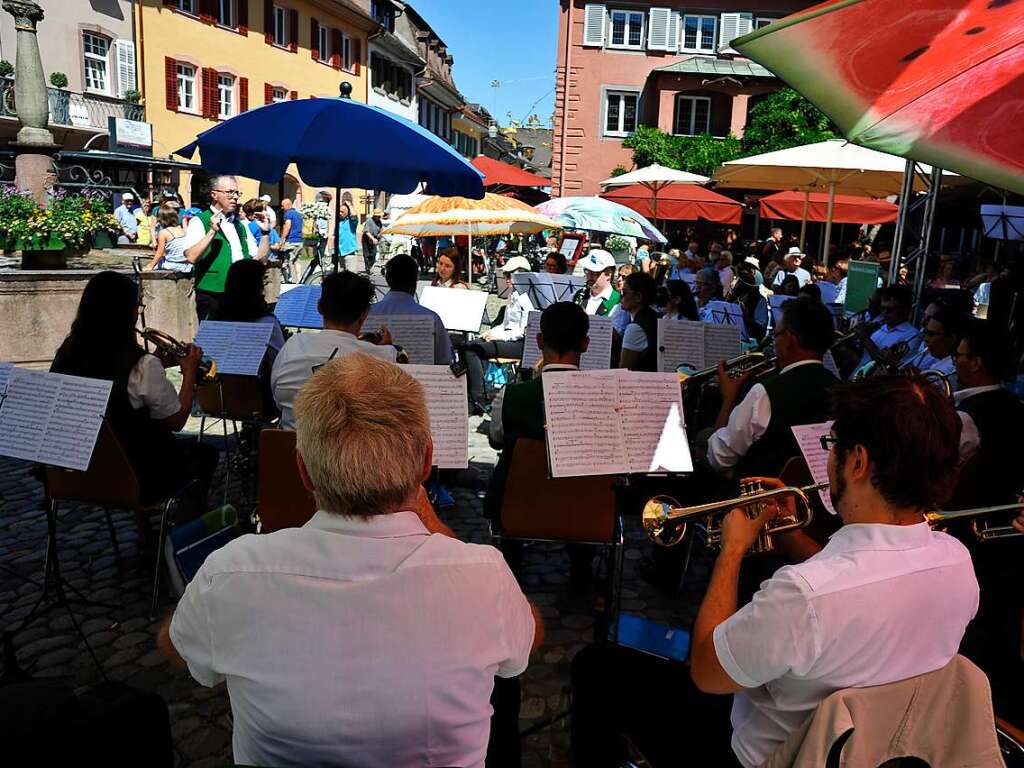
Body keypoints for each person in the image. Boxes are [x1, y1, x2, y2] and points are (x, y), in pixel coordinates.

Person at [571, 376, 977, 768]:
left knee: (594, 665)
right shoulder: (957, 562)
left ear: (858, 462)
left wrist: (732, 550)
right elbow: (857, 584)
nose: (828, 456)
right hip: (867, 748)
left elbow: (707, 671)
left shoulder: (803, 595)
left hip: (760, 755)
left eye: (832, 444)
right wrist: (792, 532)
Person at [159, 353, 542, 768]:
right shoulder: (483, 575)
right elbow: (527, 640)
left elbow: (175, 646)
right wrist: (430, 521)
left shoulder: (231, 572)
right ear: (426, 462)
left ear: (303, 472)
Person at [50, 271, 218, 547]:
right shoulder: (141, 366)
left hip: (80, 472)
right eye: (137, 304)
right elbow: (176, 419)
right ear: (125, 313)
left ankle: (146, 534)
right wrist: (189, 373)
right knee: (204, 454)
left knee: (135, 441)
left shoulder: (66, 353)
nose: (138, 311)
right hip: (138, 476)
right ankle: (184, 540)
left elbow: (111, 382)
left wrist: (152, 365)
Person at [485, 302, 596, 586]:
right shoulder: (606, 398)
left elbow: (496, 440)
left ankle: (512, 566)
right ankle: (582, 568)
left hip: (518, 506)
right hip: (586, 511)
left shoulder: (510, 395)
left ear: (538, 341)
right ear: (585, 344)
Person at [949, 320, 1024, 725]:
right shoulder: (1016, 407)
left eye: (959, 355)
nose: (954, 361)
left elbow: (944, 475)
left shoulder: (965, 417)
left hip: (970, 535)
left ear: (976, 362)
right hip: (1006, 539)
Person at [707, 297, 838, 477]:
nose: (774, 343)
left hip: (759, 498)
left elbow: (718, 458)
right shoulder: (842, 390)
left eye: (776, 335)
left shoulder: (764, 393)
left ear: (790, 340)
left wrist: (728, 400)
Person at [271, 271, 397, 428]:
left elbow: (277, 399)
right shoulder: (384, 356)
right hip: (350, 450)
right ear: (364, 314)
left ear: (319, 307)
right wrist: (387, 349)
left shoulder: (293, 345)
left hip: (290, 447)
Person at [183, 175, 270, 321]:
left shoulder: (240, 225)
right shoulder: (199, 221)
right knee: (213, 340)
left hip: (240, 294)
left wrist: (265, 233)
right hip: (212, 293)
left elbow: (259, 260)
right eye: (229, 192)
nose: (235, 197)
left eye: (237, 193)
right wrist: (211, 232)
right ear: (214, 194)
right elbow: (191, 257)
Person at [462, 256, 534, 414]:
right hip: (509, 339)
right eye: (506, 275)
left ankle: (478, 398)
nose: (507, 279)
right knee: (467, 346)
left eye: (510, 275)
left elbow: (522, 330)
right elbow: (506, 324)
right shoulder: (513, 295)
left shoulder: (526, 298)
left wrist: (498, 337)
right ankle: (475, 394)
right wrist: (491, 332)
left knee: (472, 350)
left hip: (520, 344)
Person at [369, 253, 452, 365]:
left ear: (387, 279)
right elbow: (444, 360)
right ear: (416, 279)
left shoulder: (365, 314)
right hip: (419, 380)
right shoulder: (432, 319)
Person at [212, 260, 286, 357]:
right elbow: (280, 357)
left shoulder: (214, 318)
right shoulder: (267, 322)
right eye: (262, 282)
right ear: (256, 286)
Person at [900, 304, 962, 389]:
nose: (925, 338)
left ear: (951, 338)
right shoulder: (941, 362)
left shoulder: (952, 369)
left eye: (931, 334)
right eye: (926, 333)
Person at [618, 272, 659, 372]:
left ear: (638, 297)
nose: (621, 296)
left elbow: (625, 370)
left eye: (624, 292)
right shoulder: (655, 317)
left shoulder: (635, 328)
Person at [572, 249, 621, 317]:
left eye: (594, 273)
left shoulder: (618, 301)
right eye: (587, 271)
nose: (589, 276)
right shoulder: (579, 295)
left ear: (608, 274)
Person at [144, 205, 192, 273]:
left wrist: (150, 266)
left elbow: (159, 253)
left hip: (173, 265)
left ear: (162, 219)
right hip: (185, 265)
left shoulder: (164, 232)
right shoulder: (181, 229)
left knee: (151, 265)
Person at [278, 198, 305, 283]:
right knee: (297, 260)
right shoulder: (298, 214)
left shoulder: (288, 214)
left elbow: (287, 226)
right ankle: (299, 279)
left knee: (287, 260)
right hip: (299, 240)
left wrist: (282, 239)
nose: (282, 208)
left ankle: (288, 279)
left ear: (288, 205)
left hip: (291, 240)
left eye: (283, 206)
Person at [337, 200, 360, 272]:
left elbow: (354, 215)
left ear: (347, 212)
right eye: (339, 211)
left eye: (342, 212)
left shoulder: (351, 221)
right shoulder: (338, 222)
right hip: (340, 253)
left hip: (350, 253)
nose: (340, 213)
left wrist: (350, 206)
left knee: (351, 277)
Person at [362, 207, 383, 273]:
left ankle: (369, 265)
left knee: (373, 254)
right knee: (367, 254)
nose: (379, 217)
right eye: (378, 216)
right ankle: (367, 268)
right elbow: (366, 231)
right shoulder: (369, 221)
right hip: (367, 238)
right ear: (374, 215)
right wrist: (373, 239)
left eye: (380, 216)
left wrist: (380, 233)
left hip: (375, 239)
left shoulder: (379, 221)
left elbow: (380, 229)